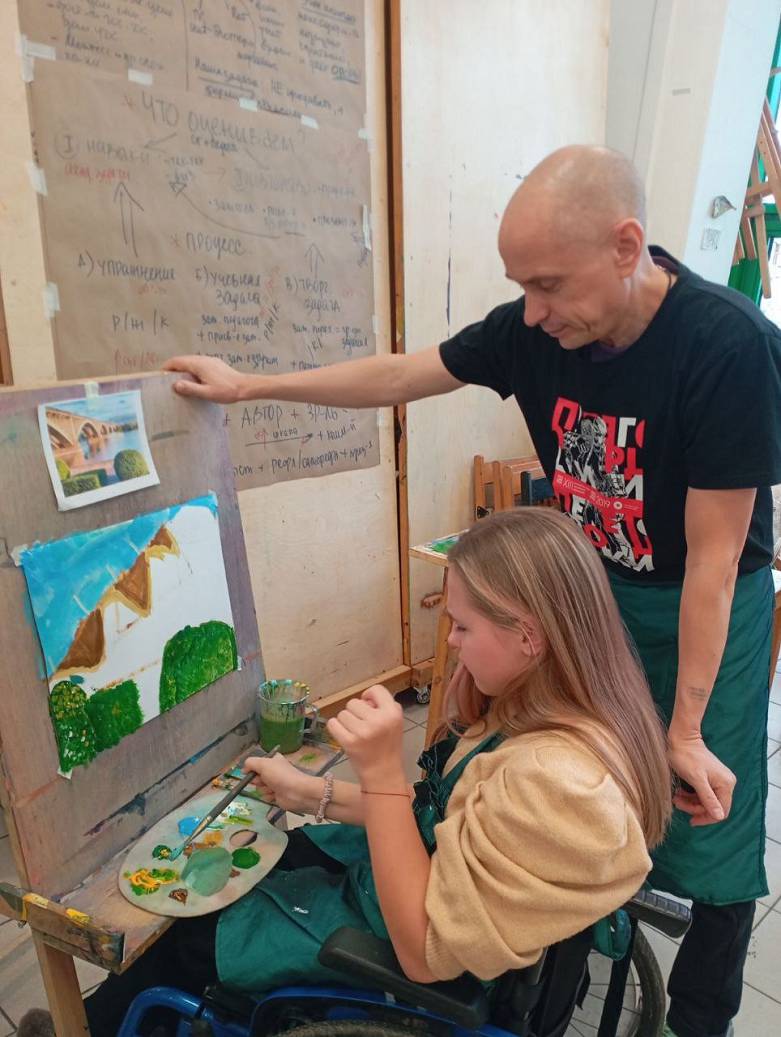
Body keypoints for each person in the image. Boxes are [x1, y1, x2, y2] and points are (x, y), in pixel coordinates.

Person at [160, 145, 781, 1037]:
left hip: (700, 603)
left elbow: (714, 562)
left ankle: (696, 1020)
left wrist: (682, 727)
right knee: (538, 774)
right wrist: (249, 386)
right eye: (519, 287)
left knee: (707, 827)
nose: (531, 312)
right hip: (591, 591)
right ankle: (542, 945)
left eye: (547, 285)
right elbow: (400, 375)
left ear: (625, 246)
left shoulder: (726, 346)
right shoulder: (538, 328)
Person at [20, 509, 671, 1037]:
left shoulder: (552, 779)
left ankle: (97, 1025)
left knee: (192, 934)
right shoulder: (557, 705)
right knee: (282, 854)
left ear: (529, 635)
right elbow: (440, 817)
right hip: (436, 885)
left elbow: (422, 949)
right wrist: (315, 792)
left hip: (423, 947)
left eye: (463, 626)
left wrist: (380, 769)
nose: (450, 641)